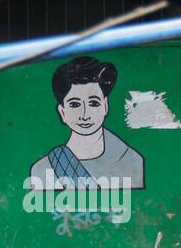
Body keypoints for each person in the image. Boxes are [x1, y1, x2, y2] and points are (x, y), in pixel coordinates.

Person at [29, 55, 144, 189]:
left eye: (94, 103)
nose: (85, 115)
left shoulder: (130, 160)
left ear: (105, 106)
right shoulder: (43, 168)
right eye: (74, 104)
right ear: (62, 112)